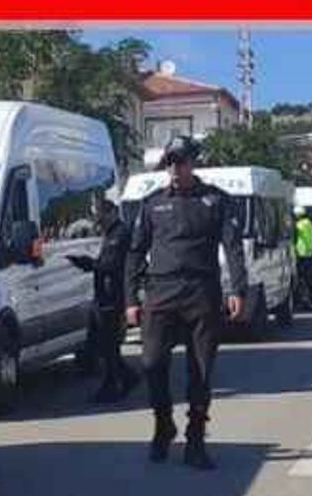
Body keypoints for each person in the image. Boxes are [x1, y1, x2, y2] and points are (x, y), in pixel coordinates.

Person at [125, 136, 246, 471]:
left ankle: (196, 437)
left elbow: (233, 247)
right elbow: (135, 252)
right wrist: (130, 298)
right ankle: (163, 422)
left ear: (193, 163)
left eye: (180, 162)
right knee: (151, 363)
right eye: (170, 162)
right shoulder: (152, 204)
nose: (174, 169)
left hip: (201, 292)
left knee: (201, 369)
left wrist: (237, 289)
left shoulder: (215, 200)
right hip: (161, 292)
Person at [67, 198, 139, 404]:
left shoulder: (120, 234)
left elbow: (111, 264)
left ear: (111, 212)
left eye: (100, 215)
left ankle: (112, 385)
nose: (98, 221)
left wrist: (88, 263)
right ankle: (125, 377)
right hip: (102, 296)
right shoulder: (110, 233)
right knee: (100, 343)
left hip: (113, 297)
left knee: (108, 346)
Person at [293, 205, 312, 309]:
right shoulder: (309, 223)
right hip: (311, 254)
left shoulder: (299, 225)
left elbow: (294, 238)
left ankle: (304, 300)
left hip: (301, 255)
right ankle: (311, 299)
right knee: (309, 280)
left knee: (301, 279)